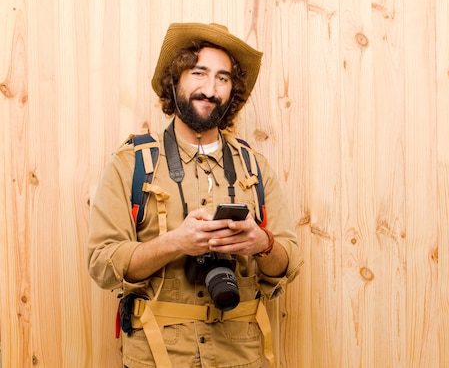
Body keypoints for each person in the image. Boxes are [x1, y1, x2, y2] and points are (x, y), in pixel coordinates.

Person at [88, 22, 303, 368]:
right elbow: (102, 263)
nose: (210, 88)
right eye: (198, 73)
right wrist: (177, 242)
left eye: (222, 78)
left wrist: (261, 243)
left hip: (242, 357)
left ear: (232, 90)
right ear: (174, 80)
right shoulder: (131, 164)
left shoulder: (255, 167)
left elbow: (289, 262)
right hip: (158, 358)